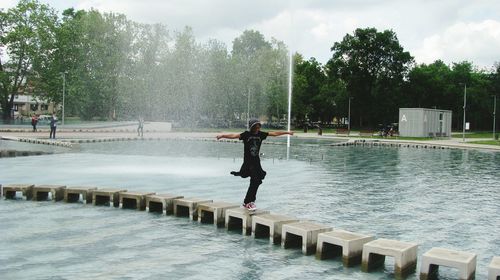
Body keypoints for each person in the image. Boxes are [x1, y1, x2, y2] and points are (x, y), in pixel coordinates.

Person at [216, 119, 294, 211]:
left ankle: (248, 202)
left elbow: (274, 133)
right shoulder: (246, 135)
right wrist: (222, 135)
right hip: (248, 162)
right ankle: (248, 202)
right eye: (255, 126)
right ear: (252, 127)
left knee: (256, 181)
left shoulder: (261, 134)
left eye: (259, 126)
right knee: (255, 180)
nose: (257, 128)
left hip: (256, 162)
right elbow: (234, 135)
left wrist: (287, 132)